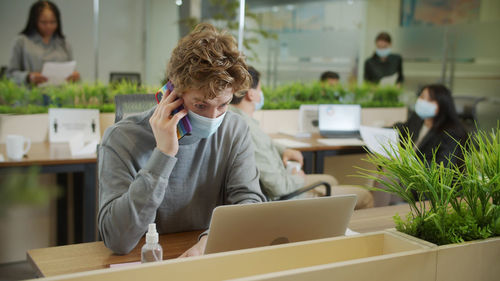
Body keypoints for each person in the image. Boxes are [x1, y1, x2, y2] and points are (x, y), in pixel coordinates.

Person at [98, 23, 266, 256]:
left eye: (223, 105)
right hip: (143, 264)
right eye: (200, 105)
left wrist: (210, 241)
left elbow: (249, 202)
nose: (213, 116)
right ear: (171, 92)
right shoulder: (121, 138)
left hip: (206, 259)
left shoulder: (234, 129)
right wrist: (164, 154)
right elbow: (118, 240)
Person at [230, 66, 374, 209]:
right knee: (365, 196)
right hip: (285, 198)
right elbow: (278, 187)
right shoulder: (246, 129)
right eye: (260, 89)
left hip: (283, 187)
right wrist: (298, 178)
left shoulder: (237, 119)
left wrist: (284, 150)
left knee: (331, 179)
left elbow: (262, 145)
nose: (262, 93)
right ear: (251, 94)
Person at [372, 84, 467, 206]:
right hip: (408, 176)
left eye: (429, 99)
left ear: (441, 105)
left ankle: (378, 214)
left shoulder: (452, 133)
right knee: (385, 174)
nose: (422, 102)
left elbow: (443, 167)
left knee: (387, 177)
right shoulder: (419, 119)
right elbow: (402, 128)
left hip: (428, 184)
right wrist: (378, 131)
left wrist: (409, 163)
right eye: (422, 97)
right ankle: (386, 210)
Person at [7, 1, 80, 86]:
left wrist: (75, 76)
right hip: (31, 96)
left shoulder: (63, 44)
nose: (48, 26)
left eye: (52, 22)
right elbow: (9, 75)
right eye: (43, 22)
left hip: (60, 95)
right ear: (34, 22)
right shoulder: (22, 42)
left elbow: (72, 71)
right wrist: (28, 77)